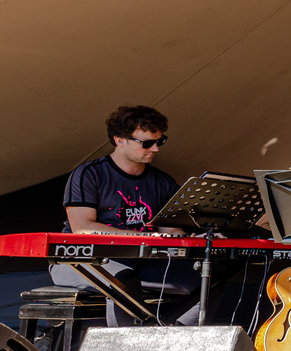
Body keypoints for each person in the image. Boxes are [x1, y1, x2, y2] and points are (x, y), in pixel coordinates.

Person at [57, 105, 205, 325]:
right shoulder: (89, 174)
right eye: (147, 143)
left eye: (160, 141)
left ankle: (174, 339)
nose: (155, 149)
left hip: (141, 262)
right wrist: (145, 237)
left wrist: (190, 239)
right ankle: (123, 346)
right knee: (122, 281)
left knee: (204, 282)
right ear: (120, 140)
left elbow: (169, 230)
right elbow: (82, 228)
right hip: (82, 259)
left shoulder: (162, 181)